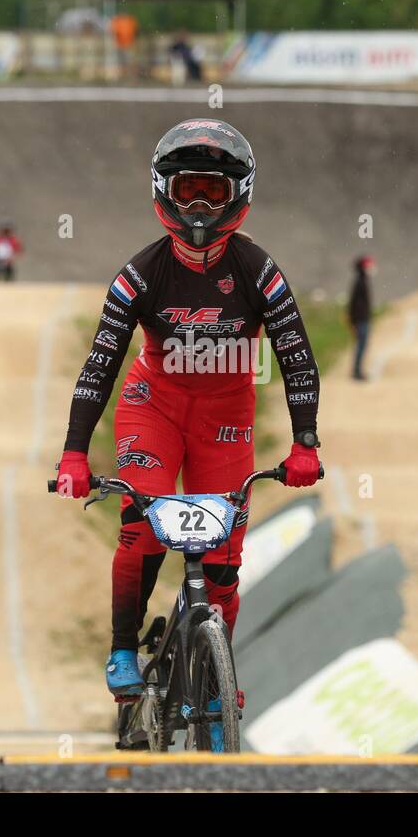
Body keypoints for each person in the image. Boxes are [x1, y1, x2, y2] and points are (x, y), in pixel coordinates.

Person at [53, 118, 323, 700]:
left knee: (224, 561)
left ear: (240, 196)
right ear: (164, 192)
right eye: (188, 189)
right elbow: (99, 365)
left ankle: (211, 678)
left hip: (226, 419)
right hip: (154, 407)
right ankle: (123, 646)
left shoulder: (260, 273)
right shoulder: (139, 274)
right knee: (141, 531)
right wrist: (75, 453)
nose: (200, 205)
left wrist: (306, 444)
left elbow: (297, 357)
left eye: (215, 191)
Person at [347, 255, 375, 380]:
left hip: (362, 319)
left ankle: (357, 370)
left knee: (362, 345)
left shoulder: (362, 281)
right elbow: (354, 303)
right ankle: (357, 371)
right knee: (361, 345)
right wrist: (353, 321)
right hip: (361, 320)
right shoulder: (360, 282)